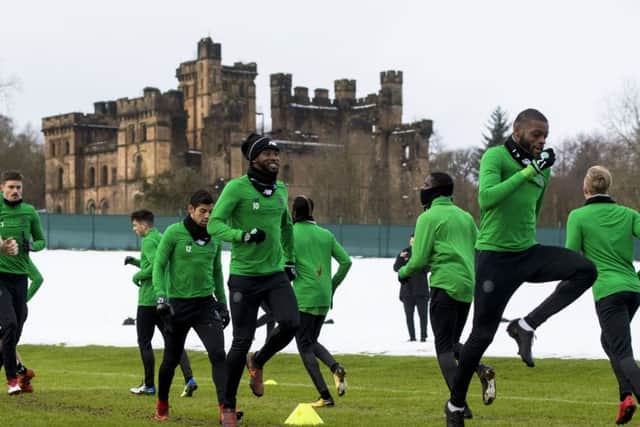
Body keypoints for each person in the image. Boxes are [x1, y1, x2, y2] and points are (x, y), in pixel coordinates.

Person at [444, 109, 598, 426]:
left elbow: (534, 211)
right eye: (535, 134)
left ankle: (525, 325)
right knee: (481, 335)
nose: (541, 141)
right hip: (494, 259)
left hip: (527, 253)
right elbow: (486, 199)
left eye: (545, 136)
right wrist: (528, 173)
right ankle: (455, 406)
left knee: (585, 270)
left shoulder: (542, 171)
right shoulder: (496, 158)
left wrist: (537, 172)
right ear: (518, 131)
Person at [208, 133, 300, 427]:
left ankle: (258, 361)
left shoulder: (282, 190)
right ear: (254, 158)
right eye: (267, 153)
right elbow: (214, 225)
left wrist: (289, 260)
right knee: (240, 340)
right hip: (244, 277)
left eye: (276, 153)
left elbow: (287, 227)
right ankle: (228, 407)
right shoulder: (236, 188)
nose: (274, 157)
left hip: (274, 274)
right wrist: (242, 236)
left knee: (291, 323)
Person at [398, 172, 495, 420]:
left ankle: (458, 404)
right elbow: (478, 250)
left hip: (444, 284)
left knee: (442, 348)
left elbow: (418, 259)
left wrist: (403, 271)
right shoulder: (465, 217)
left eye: (426, 185)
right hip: (466, 287)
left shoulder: (427, 217)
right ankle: (481, 369)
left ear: (436, 190)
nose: (422, 188)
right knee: (452, 344)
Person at [565, 166, 640, 425]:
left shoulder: (578, 216)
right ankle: (625, 397)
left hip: (608, 292)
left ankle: (631, 395)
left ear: (586, 188)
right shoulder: (629, 214)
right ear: (608, 187)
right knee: (609, 342)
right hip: (633, 290)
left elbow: (571, 257)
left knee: (622, 350)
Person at [151, 190, 230, 422]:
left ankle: (226, 410)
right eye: (202, 211)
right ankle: (162, 405)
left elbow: (217, 272)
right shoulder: (174, 234)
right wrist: (161, 297)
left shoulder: (215, 237)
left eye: (211, 212)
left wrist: (223, 304)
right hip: (178, 307)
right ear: (191, 209)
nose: (207, 216)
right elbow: (159, 266)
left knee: (218, 354)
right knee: (171, 361)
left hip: (206, 305)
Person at [125, 209, 197, 397]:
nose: (134, 229)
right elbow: (157, 262)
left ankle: (149, 385)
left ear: (143, 224)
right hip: (165, 297)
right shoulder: (160, 237)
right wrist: (134, 261)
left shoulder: (148, 240)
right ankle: (189, 379)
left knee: (144, 342)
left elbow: (154, 266)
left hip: (148, 299)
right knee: (173, 341)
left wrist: (137, 275)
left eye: (134, 225)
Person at [290, 195, 352, 408]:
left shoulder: (290, 234)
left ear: (294, 212)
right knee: (311, 340)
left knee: (304, 345)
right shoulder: (326, 234)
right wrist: (331, 285)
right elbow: (346, 262)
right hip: (324, 297)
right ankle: (335, 368)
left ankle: (325, 396)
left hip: (303, 297)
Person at [0, 170, 46, 395]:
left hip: (20, 280)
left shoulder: (29, 212)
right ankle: (12, 381)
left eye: (18, 187)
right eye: (11, 187)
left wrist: (31, 246)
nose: (15, 191)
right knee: (8, 325)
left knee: (13, 333)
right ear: (2, 188)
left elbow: (41, 240)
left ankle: (20, 374)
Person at [393, 233, 429, 342]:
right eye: (411, 241)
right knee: (409, 316)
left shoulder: (423, 253)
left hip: (421, 290)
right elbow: (396, 268)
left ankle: (423, 336)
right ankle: (412, 337)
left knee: (423, 315)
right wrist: (400, 258)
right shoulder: (404, 252)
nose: (413, 243)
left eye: (415, 241)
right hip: (407, 291)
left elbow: (427, 268)